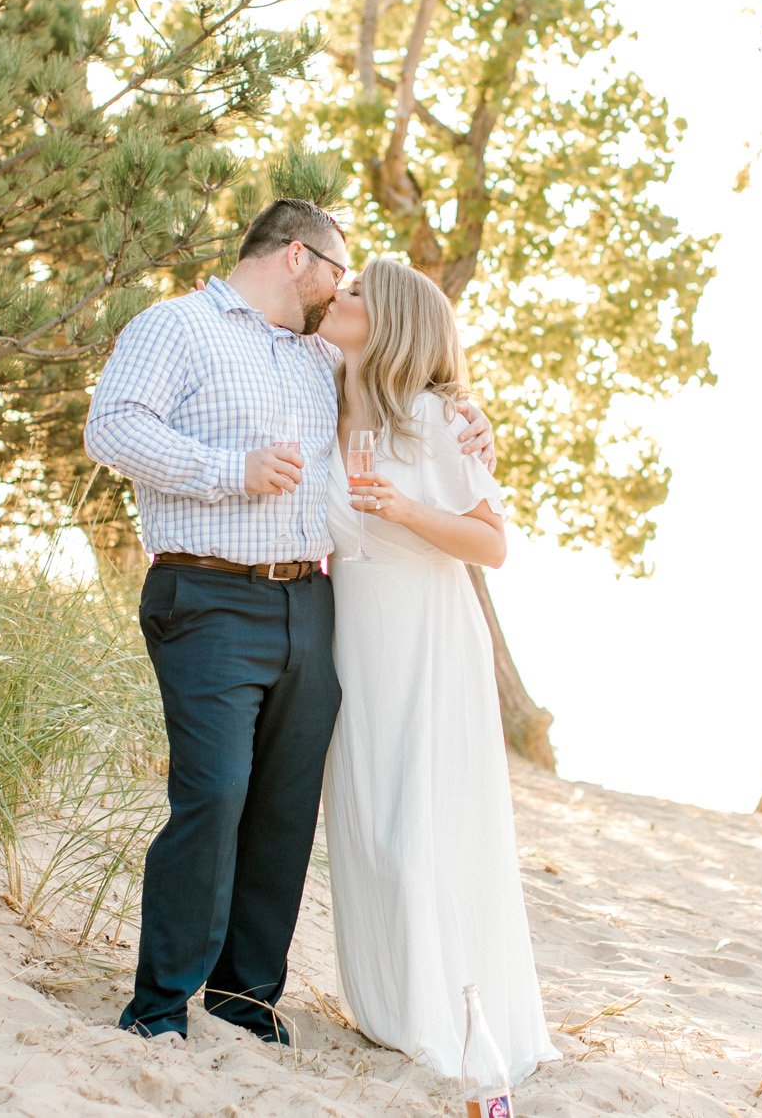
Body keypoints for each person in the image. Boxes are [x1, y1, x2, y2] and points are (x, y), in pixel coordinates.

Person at [83, 200, 492, 1047]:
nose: (344, 290)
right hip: (208, 595)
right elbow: (113, 428)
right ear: (299, 257)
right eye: (340, 273)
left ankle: (245, 998)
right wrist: (231, 470)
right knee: (217, 789)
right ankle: (160, 1004)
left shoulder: (316, 357)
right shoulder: (177, 327)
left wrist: (469, 409)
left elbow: (405, 382)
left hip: (311, 602)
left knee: (283, 806)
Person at [317, 257, 559, 1082]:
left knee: (416, 828)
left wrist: (406, 506)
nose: (335, 296)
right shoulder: (323, 393)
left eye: (353, 293)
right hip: (352, 628)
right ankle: (390, 1008)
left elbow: (492, 543)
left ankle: (446, 1015)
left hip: (425, 625)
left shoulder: (431, 418)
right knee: (365, 820)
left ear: (385, 322)